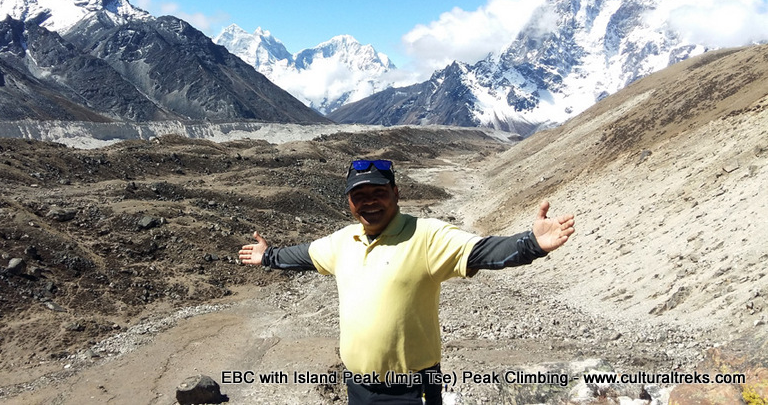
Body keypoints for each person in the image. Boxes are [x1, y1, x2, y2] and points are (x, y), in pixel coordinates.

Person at [238, 159, 576, 405]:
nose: (369, 201)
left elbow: (480, 251)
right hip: (357, 384)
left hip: (412, 387)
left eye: (378, 192)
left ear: (396, 193)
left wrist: (530, 244)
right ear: (349, 202)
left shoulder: (426, 235)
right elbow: (306, 255)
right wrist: (268, 256)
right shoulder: (343, 241)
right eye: (359, 195)